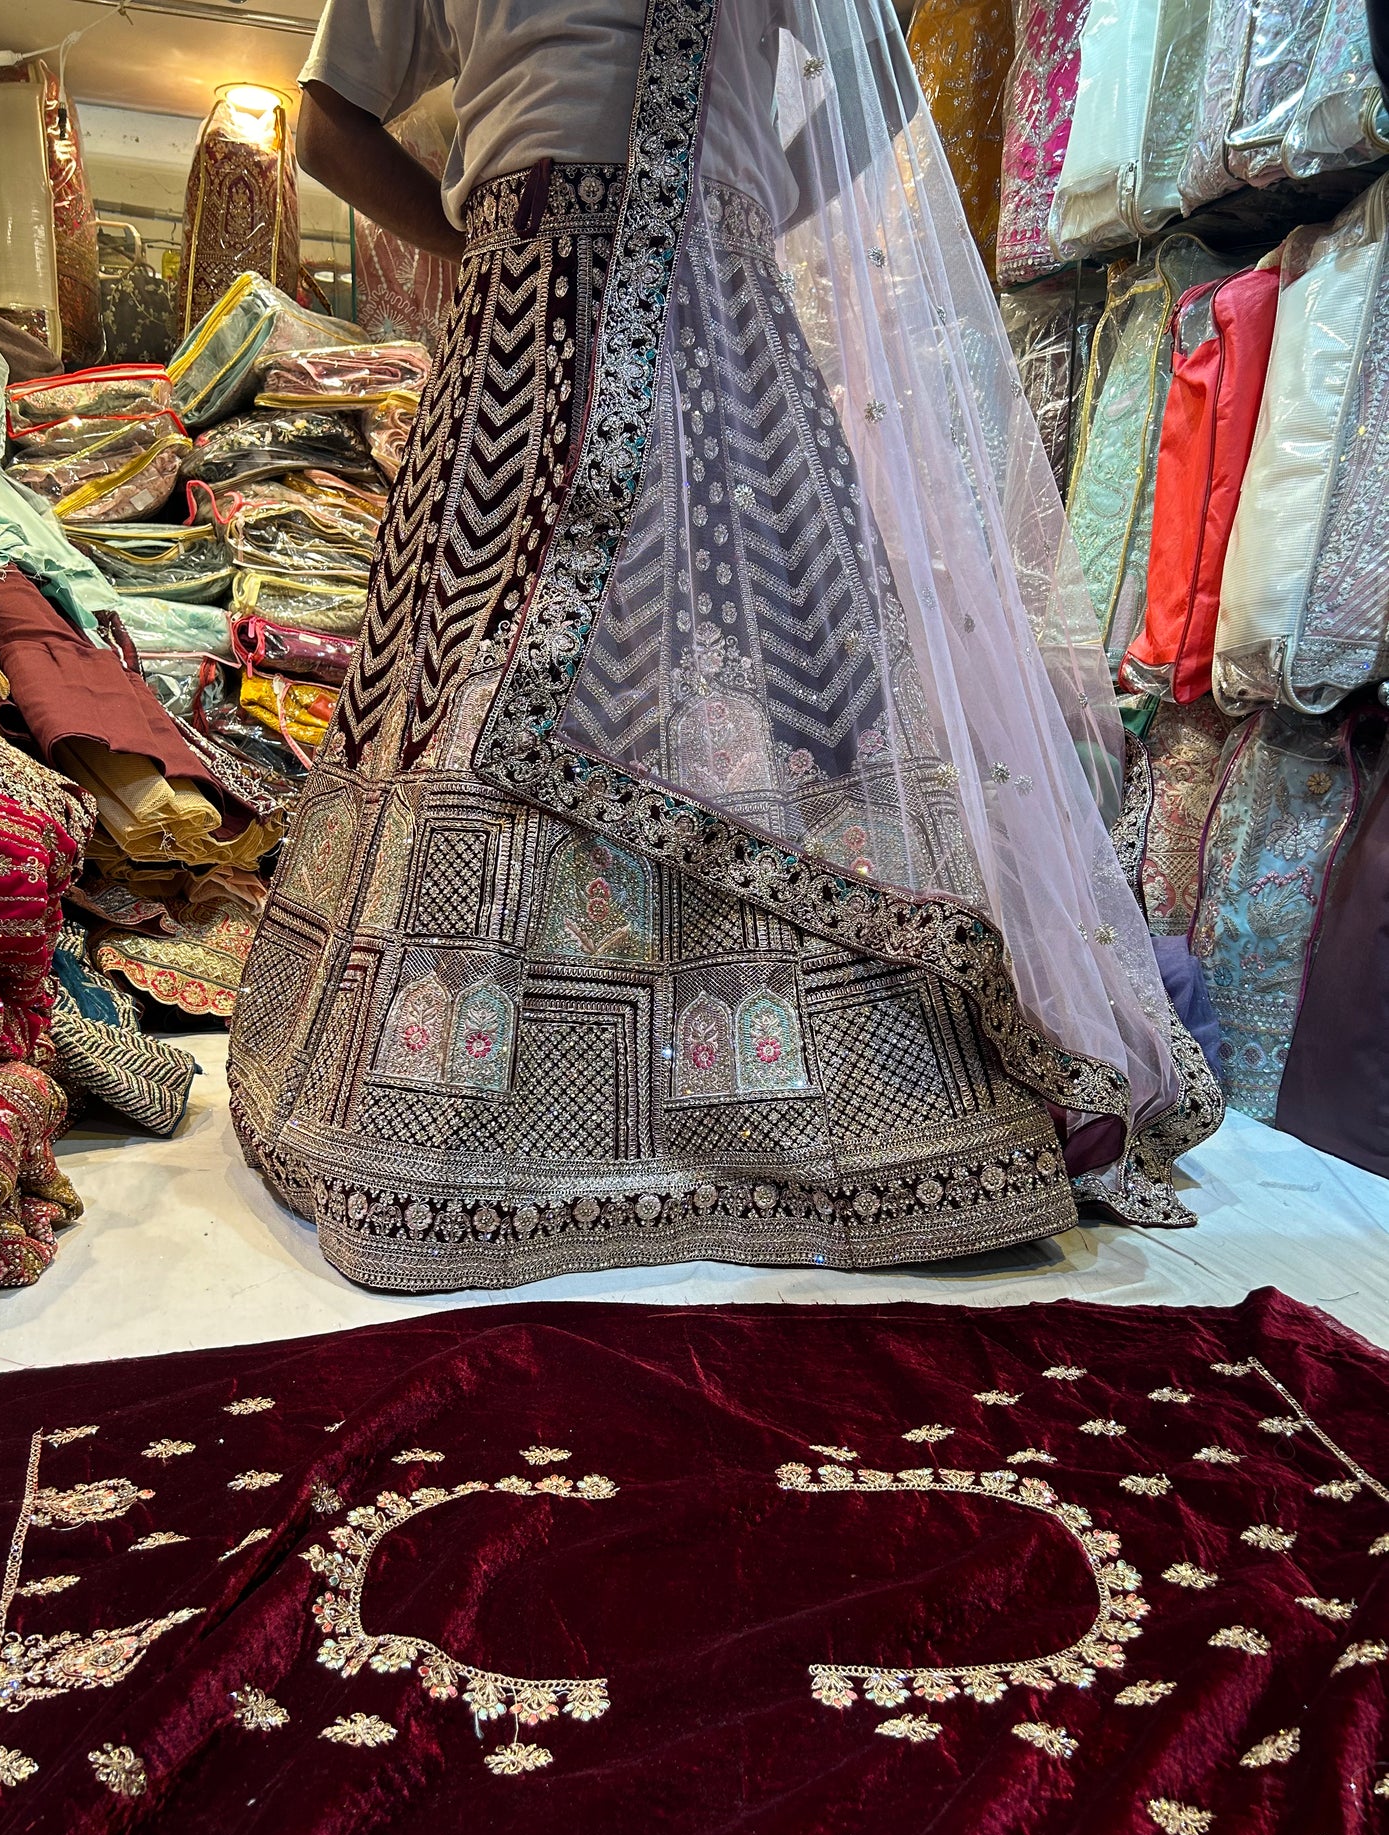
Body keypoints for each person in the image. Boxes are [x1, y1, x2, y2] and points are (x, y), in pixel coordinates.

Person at [228, 0, 1220, 1292]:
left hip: (724, 360)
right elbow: (327, 117)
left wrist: (723, 216)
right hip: (524, 342)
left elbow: (880, 98)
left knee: (784, 705)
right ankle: (455, 1125)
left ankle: (792, 1111)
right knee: (489, 698)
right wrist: (483, 236)